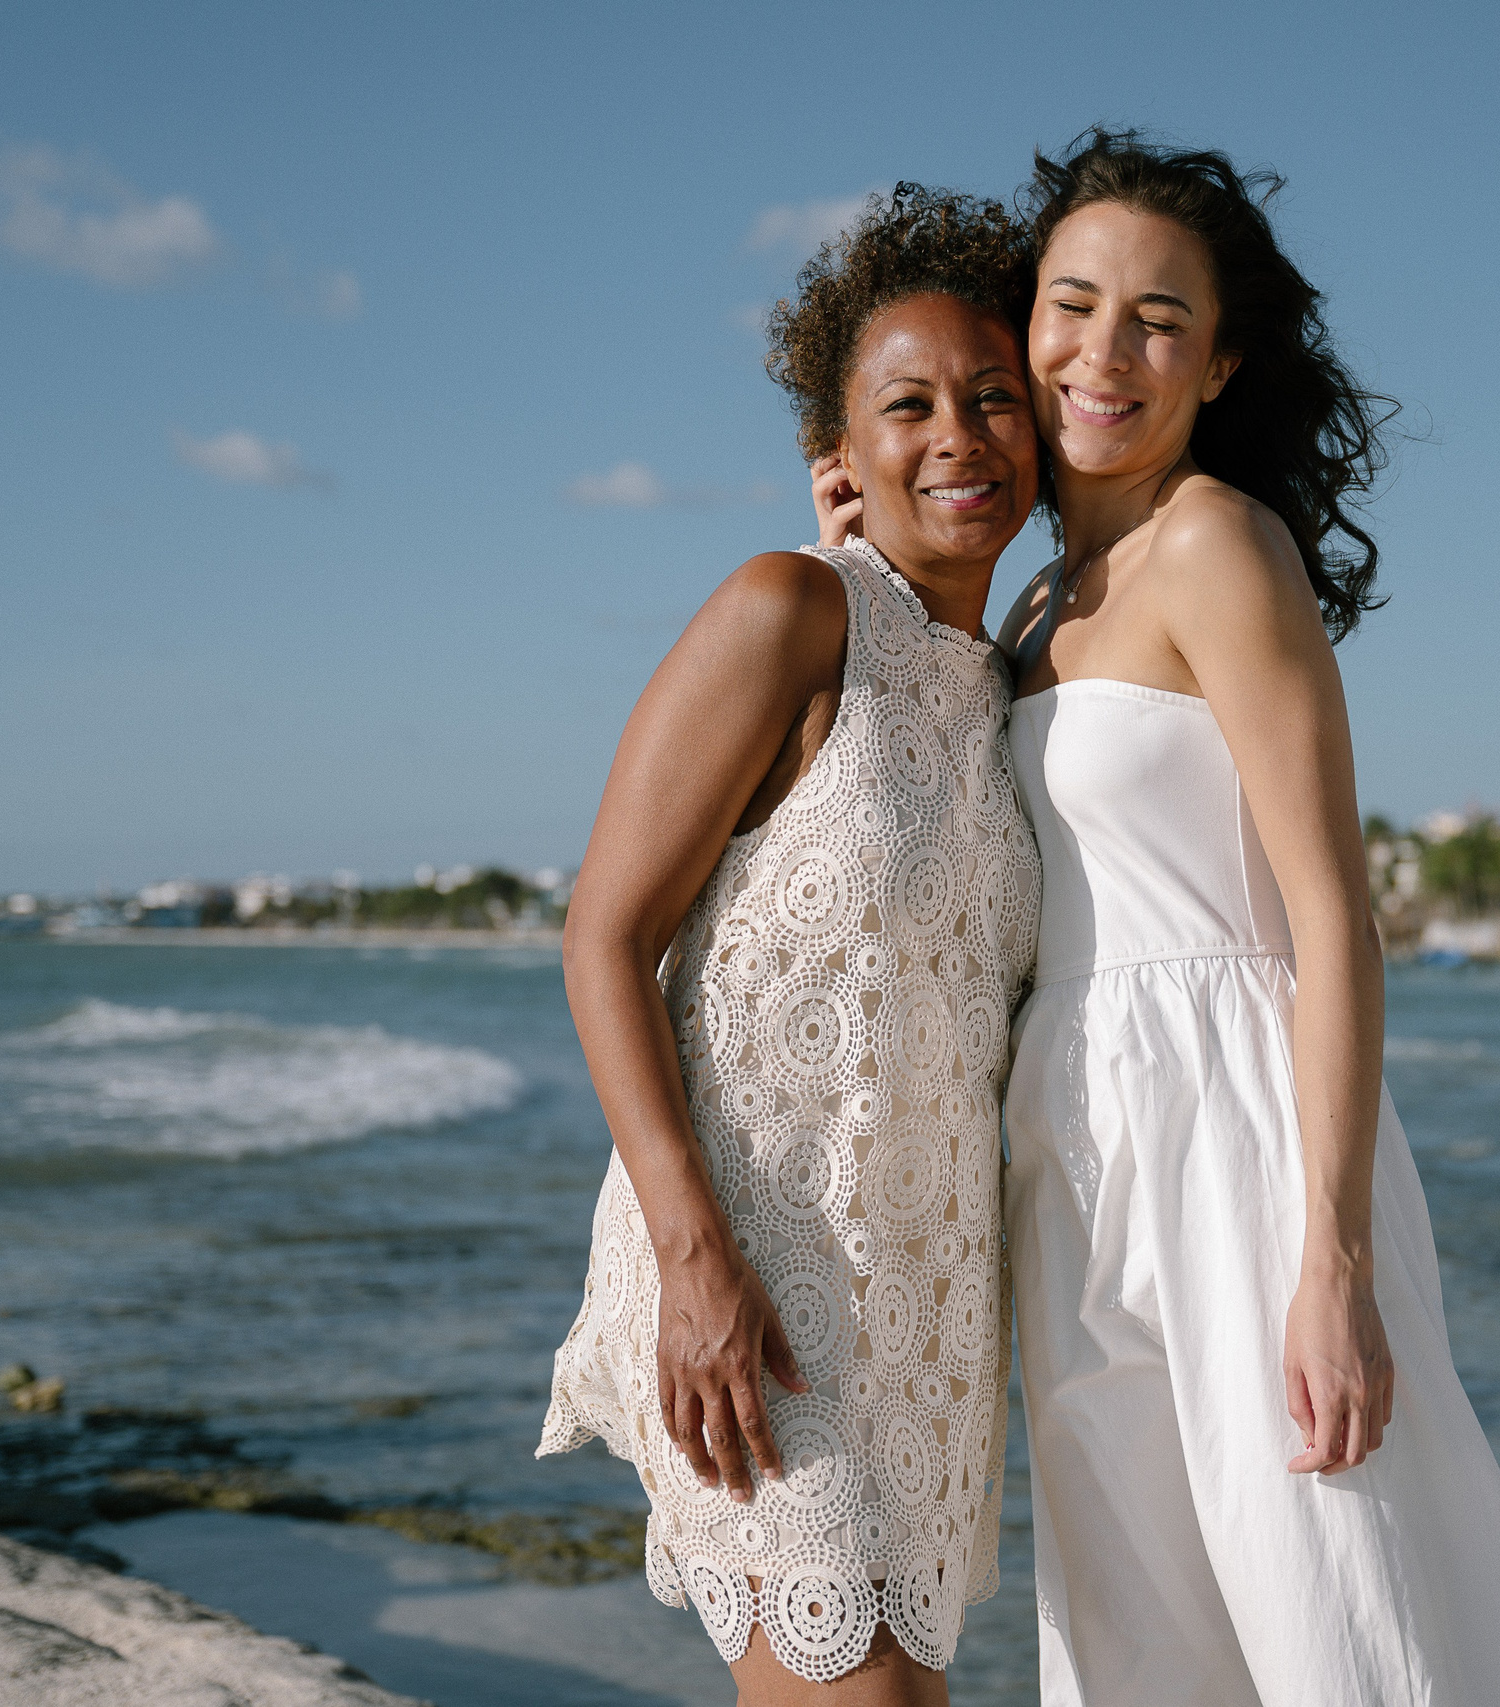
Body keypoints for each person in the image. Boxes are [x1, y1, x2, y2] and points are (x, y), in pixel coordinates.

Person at [993, 130, 1500, 1705]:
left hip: (1242, 1133)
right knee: (1134, 1625)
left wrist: (1330, 1257)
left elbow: (1333, 919)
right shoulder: (1037, 603)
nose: (1103, 353)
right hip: (1077, 1138)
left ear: (1219, 365)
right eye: (1074, 305)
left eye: (1159, 321)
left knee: (1333, 1593)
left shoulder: (1216, 542)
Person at [540, 186, 1044, 1705]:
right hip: (753, 1282)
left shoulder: (1012, 686)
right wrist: (694, 1260)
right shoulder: (789, 607)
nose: (957, 435)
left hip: (926, 1315)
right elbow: (603, 936)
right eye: (909, 406)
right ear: (839, 450)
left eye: (993, 396)